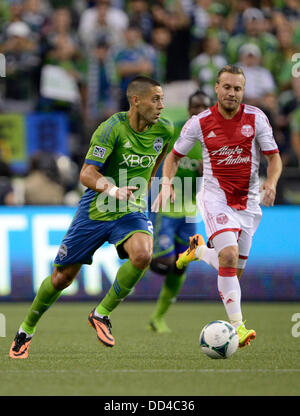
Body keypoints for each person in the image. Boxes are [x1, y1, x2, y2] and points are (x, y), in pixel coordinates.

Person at [9, 76, 174, 359]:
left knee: (143, 254)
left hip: (130, 208)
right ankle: (26, 330)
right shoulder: (111, 129)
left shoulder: (165, 130)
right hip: (96, 209)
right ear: (136, 100)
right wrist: (113, 189)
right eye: (155, 99)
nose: (161, 105)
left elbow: (158, 161)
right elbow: (86, 174)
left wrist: (159, 186)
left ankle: (102, 313)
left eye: (162, 99)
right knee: (61, 279)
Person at [152, 65, 282, 347]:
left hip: (248, 201)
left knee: (234, 272)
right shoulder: (199, 122)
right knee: (229, 255)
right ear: (217, 88)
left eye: (237, 88)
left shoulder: (257, 118)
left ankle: (198, 250)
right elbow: (173, 157)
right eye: (227, 87)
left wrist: (271, 184)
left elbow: (274, 158)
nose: (232, 93)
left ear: (243, 91)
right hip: (216, 197)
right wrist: (166, 184)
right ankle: (240, 328)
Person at [148, 90, 212, 333]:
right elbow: (155, 153)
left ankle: (158, 317)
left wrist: (205, 173)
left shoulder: (211, 140)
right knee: (161, 263)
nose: (198, 110)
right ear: (188, 109)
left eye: (203, 107)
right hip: (164, 206)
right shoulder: (173, 130)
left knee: (182, 264)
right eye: (195, 106)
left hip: (189, 211)